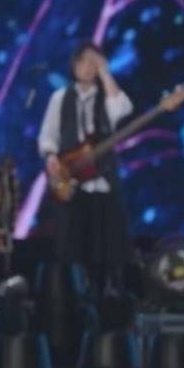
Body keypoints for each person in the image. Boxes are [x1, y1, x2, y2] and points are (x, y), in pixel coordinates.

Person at [38, 44, 134, 290]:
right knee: (73, 252)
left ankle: (111, 298)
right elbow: (48, 137)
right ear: (74, 65)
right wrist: (51, 158)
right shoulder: (60, 98)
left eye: (94, 62)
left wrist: (105, 72)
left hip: (103, 184)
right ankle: (80, 298)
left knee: (110, 252)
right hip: (72, 184)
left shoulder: (107, 97)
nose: (88, 67)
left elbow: (122, 109)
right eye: (84, 61)